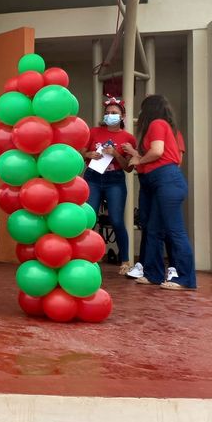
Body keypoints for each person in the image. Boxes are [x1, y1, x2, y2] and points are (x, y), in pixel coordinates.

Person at [121, 94, 196, 290]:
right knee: (153, 230)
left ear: (148, 109)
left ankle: (186, 279)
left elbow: (157, 151)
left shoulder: (157, 123)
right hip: (159, 182)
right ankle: (153, 274)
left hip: (167, 180)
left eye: (142, 108)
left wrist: (139, 159)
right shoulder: (160, 125)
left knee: (175, 231)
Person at [83, 96, 136, 275]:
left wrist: (116, 154)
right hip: (93, 177)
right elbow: (81, 152)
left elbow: (129, 167)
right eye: (107, 113)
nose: (110, 115)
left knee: (117, 220)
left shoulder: (128, 138)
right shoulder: (94, 132)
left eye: (114, 113)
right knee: (89, 219)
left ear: (122, 116)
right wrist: (89, 154)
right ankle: (85, 258)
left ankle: (125, 260)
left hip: (115, 180)